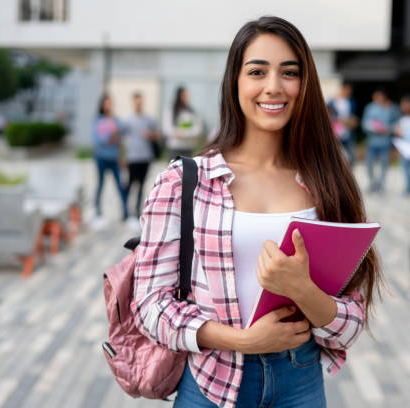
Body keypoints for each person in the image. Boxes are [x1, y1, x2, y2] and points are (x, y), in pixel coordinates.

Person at [132, 16, 382, 408]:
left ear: (305, 84)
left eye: (289, 72)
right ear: (235, 82)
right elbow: (150, 305)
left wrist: (301, 289)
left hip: (299, 380)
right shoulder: (186, 181)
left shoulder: (327, 181)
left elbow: (349, 322)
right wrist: (242, 341)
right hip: (210, 383)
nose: (273, 87)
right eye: (257, 71)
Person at [91, 93, 128, 221]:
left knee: (120, 186)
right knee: (100, 185)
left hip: (115, 158)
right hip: (101, 158)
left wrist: (112, 138)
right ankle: (98, 212)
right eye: (106, 103)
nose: (109, 105)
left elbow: (121, 136)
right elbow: (98, 140)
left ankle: (126, 213)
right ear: (102, 104)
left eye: (110, 102)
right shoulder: (98, 120)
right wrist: (112, 136)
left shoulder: (116, 120)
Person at [123, 91, 159, 218]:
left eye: (140, 102)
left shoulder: (149, 119)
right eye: (136, 102)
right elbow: (122, 139)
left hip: (145, 157)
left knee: (142, 185)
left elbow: (156, 136)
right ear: (133, 103)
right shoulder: (128, 120)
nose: (138, 104)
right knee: (130, 184)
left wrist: (150, 135)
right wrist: (123, 156)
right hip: (132, 157)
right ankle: (125, 210)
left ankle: (138, 209)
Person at [362, 87, 399, 192]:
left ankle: (381, 185)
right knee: (369, 164)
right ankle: (372, 183)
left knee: (384, 164)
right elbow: (364, 124)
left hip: (385, 141)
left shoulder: (391, 108)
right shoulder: (370, 108)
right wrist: (373, 128)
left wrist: (388, 129)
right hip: (372, 141)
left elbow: (397, 123)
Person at [163, 86, 203, 160]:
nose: (187, 98)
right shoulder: (170, 111)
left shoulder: (191, 112)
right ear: (179, 96)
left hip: (188, 148)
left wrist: (183, 134)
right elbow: (167, 129)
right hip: (175, 148)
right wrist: (178, 133)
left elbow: (197, 130)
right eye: (184, 95)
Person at [327, 80, 358, 165]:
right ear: (343, 89)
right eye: (347, 90)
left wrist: (352, 122)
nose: (349, 92)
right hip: (336, 133)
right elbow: (327, 115)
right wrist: (338, 120)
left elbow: (353, 116)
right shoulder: (332, 102)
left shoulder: (351, 102)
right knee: (333, 157)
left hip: (348, 132)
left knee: (351, 157)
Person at [394, 94, 410, 194]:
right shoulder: (402, 119)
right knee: (405, 169)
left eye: (406, 104)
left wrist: (403, 133)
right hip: (404, 148)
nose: (403, 106)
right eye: (402, 104)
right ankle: (409, 187)